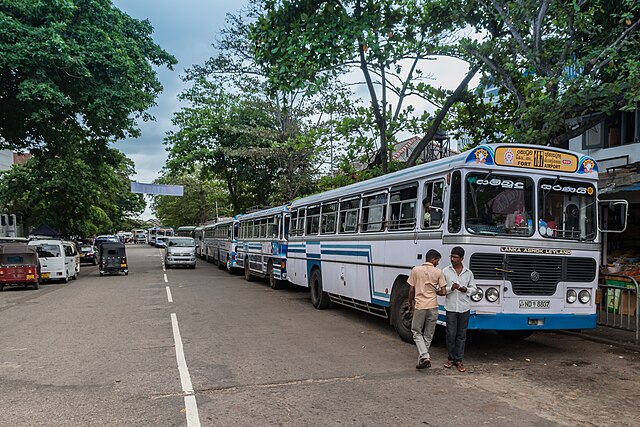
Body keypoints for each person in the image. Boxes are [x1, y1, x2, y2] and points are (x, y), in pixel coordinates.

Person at [408, 249, 446, 369]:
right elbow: (443, 292)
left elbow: (411, 289)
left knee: (416, 331)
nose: (438, 263)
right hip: (433, 306)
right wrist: (435, 291)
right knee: (428, 334)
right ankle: (422, 359)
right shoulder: (438, 272)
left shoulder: (415, 270)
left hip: (420, 306)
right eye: (438, 260)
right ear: (433, 259)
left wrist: (410, 303)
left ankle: (424, 356)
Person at [442, 246, 477, 373]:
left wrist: (465, 289)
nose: (453, 259)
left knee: (461, 335)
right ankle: (450, 359)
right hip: (451, 308)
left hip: (464, 308)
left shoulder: (468, 273)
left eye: (456, 257)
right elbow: (440, 288)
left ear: (462, 258)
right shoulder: (445, 271)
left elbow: (474, 289)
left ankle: (459, 360)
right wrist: (452, 288)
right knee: (450, 334)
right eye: (451, 256)